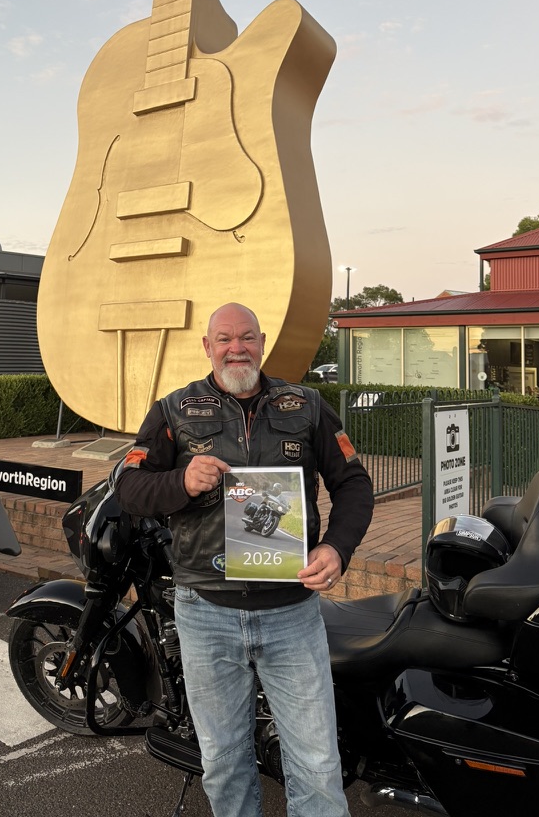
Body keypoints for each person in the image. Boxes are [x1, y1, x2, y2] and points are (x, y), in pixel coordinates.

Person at [114, 302, 374, 817]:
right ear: (208, 347)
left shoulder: (307, 406)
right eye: (225, 339)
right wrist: (180, 482)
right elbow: (127, 485)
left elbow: (354, 484)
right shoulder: (174, 410)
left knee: (319, 766)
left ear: (262, 342)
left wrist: (336, 549)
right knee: (224, 762)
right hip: (205, 612)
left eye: (247, 337)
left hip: (291, 613)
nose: (238, 348)